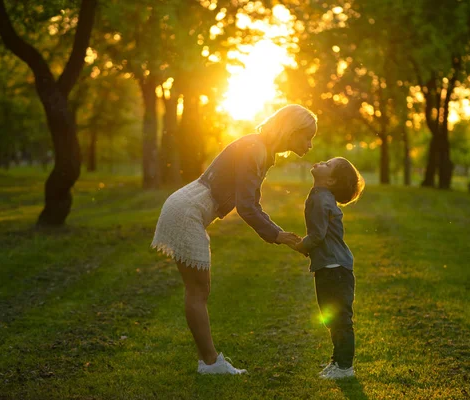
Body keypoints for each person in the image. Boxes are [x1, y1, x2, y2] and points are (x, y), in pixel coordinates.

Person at [151, 104, 317, 374]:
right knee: (198, 291)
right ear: (291, 130)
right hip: (186, 211)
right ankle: (210, 363)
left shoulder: (260, 149)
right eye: (307, 136)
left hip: (187, 208)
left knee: (198, 290)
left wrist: (278, 234)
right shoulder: (255, 149)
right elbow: (246, 207)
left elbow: (251, 203)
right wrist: (277, 235)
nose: (309, 144)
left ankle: (209, 361)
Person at [293, 157, 365, 379]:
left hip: (335, 268)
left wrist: (299, 245)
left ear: (331, 180)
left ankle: (345, 367)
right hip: (330, 266)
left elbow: (317, 235)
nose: (320, 162)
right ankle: (338, 361)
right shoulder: (320, 196)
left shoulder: (322, 200)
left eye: (327, 164)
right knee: (331, 317)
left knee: (340, 318)